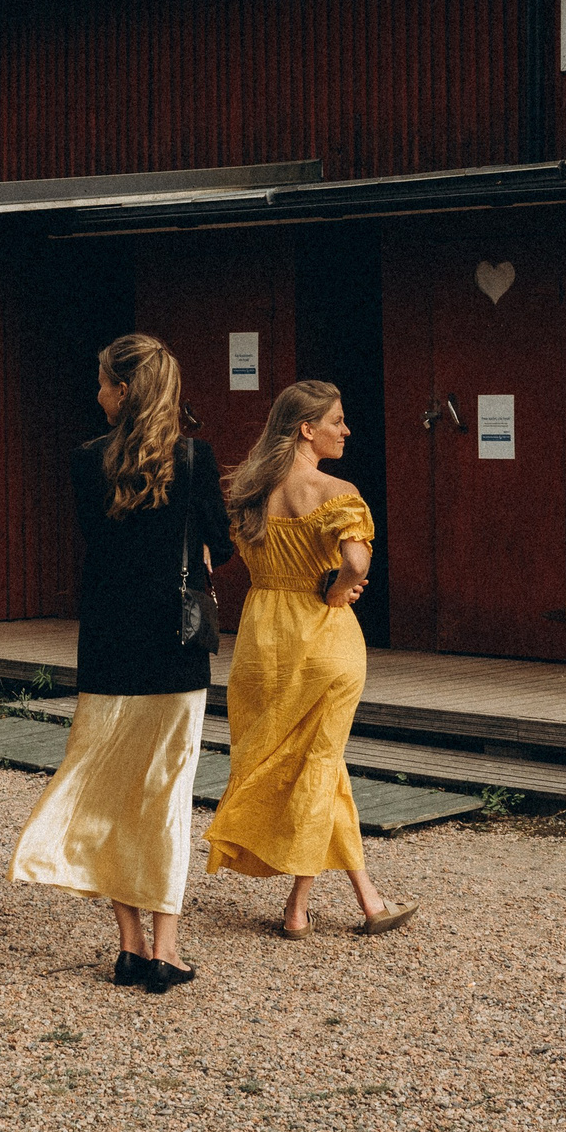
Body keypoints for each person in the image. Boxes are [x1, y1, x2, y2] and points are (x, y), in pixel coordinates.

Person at [11, 333, 232, 994]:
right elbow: (222, 541)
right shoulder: (195, 459)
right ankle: (166, 950)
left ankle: (129, 945)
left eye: (104, 382)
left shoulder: (85, 461)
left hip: (108, 645)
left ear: (125, 389)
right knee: (166, 797)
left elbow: (97, 539)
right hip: (174, 648)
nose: (98, 392)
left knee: (106, 793)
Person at [206, 380, 416, 939]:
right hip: (322, 636)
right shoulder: (333, 491)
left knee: (308, 763)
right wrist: (339, 588)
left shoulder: (250, 492)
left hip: (261, 642)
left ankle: (340, 901)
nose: (345, 431)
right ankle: (330, 905)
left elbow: (216, 552)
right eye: (337, 421)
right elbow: (357, 560)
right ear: (307, 428)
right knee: (320, 763)